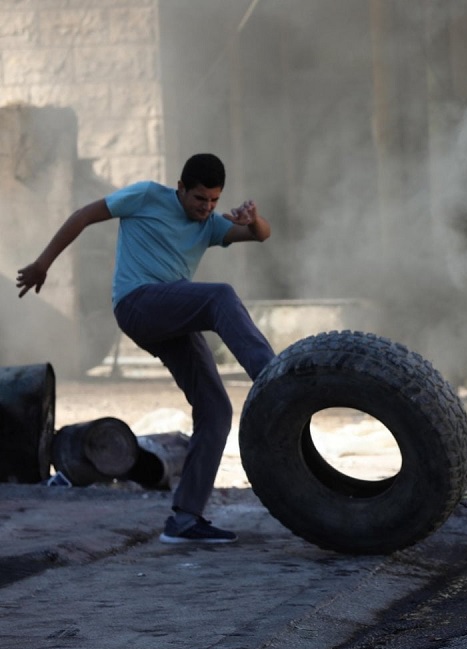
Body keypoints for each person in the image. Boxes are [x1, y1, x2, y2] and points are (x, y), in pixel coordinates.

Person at [16, 153, 276, 545]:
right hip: (138, 304)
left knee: (216, 408)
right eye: (199, 198)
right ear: (180, 189)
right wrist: (42, 263)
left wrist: (251, 219)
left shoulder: (208, 226)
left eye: (214, 201)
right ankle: (274, 380)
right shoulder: (145, 197)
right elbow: (83, 216)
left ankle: (185, 520)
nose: (205, 208)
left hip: (172, 317)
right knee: (220, 296)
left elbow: (261, 235)